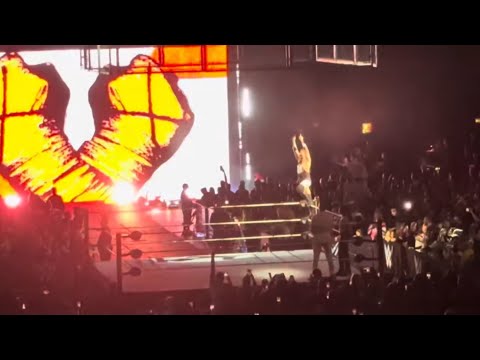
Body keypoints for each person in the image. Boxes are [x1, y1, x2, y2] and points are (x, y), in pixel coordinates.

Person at [311, 209, 336, 278]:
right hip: (326, 236)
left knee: (316, 257)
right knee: (329, 256)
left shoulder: (315, 217)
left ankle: (314, 272)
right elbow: (331, 228)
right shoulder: (330, 217)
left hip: (317, 237)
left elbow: (312, 229)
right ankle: (332, 272)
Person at [292, 134, 313, 208]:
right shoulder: (299, 163)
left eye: (301, 153)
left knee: (299, 188)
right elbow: (295, 150)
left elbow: (306, 150)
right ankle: (310, 207)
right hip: (302, 181)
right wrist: (293, 141)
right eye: (299, 154)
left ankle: (309, 201)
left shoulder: (307, 161)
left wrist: (302, 140)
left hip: (307, 180)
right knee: (305, 193)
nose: (299, 154)